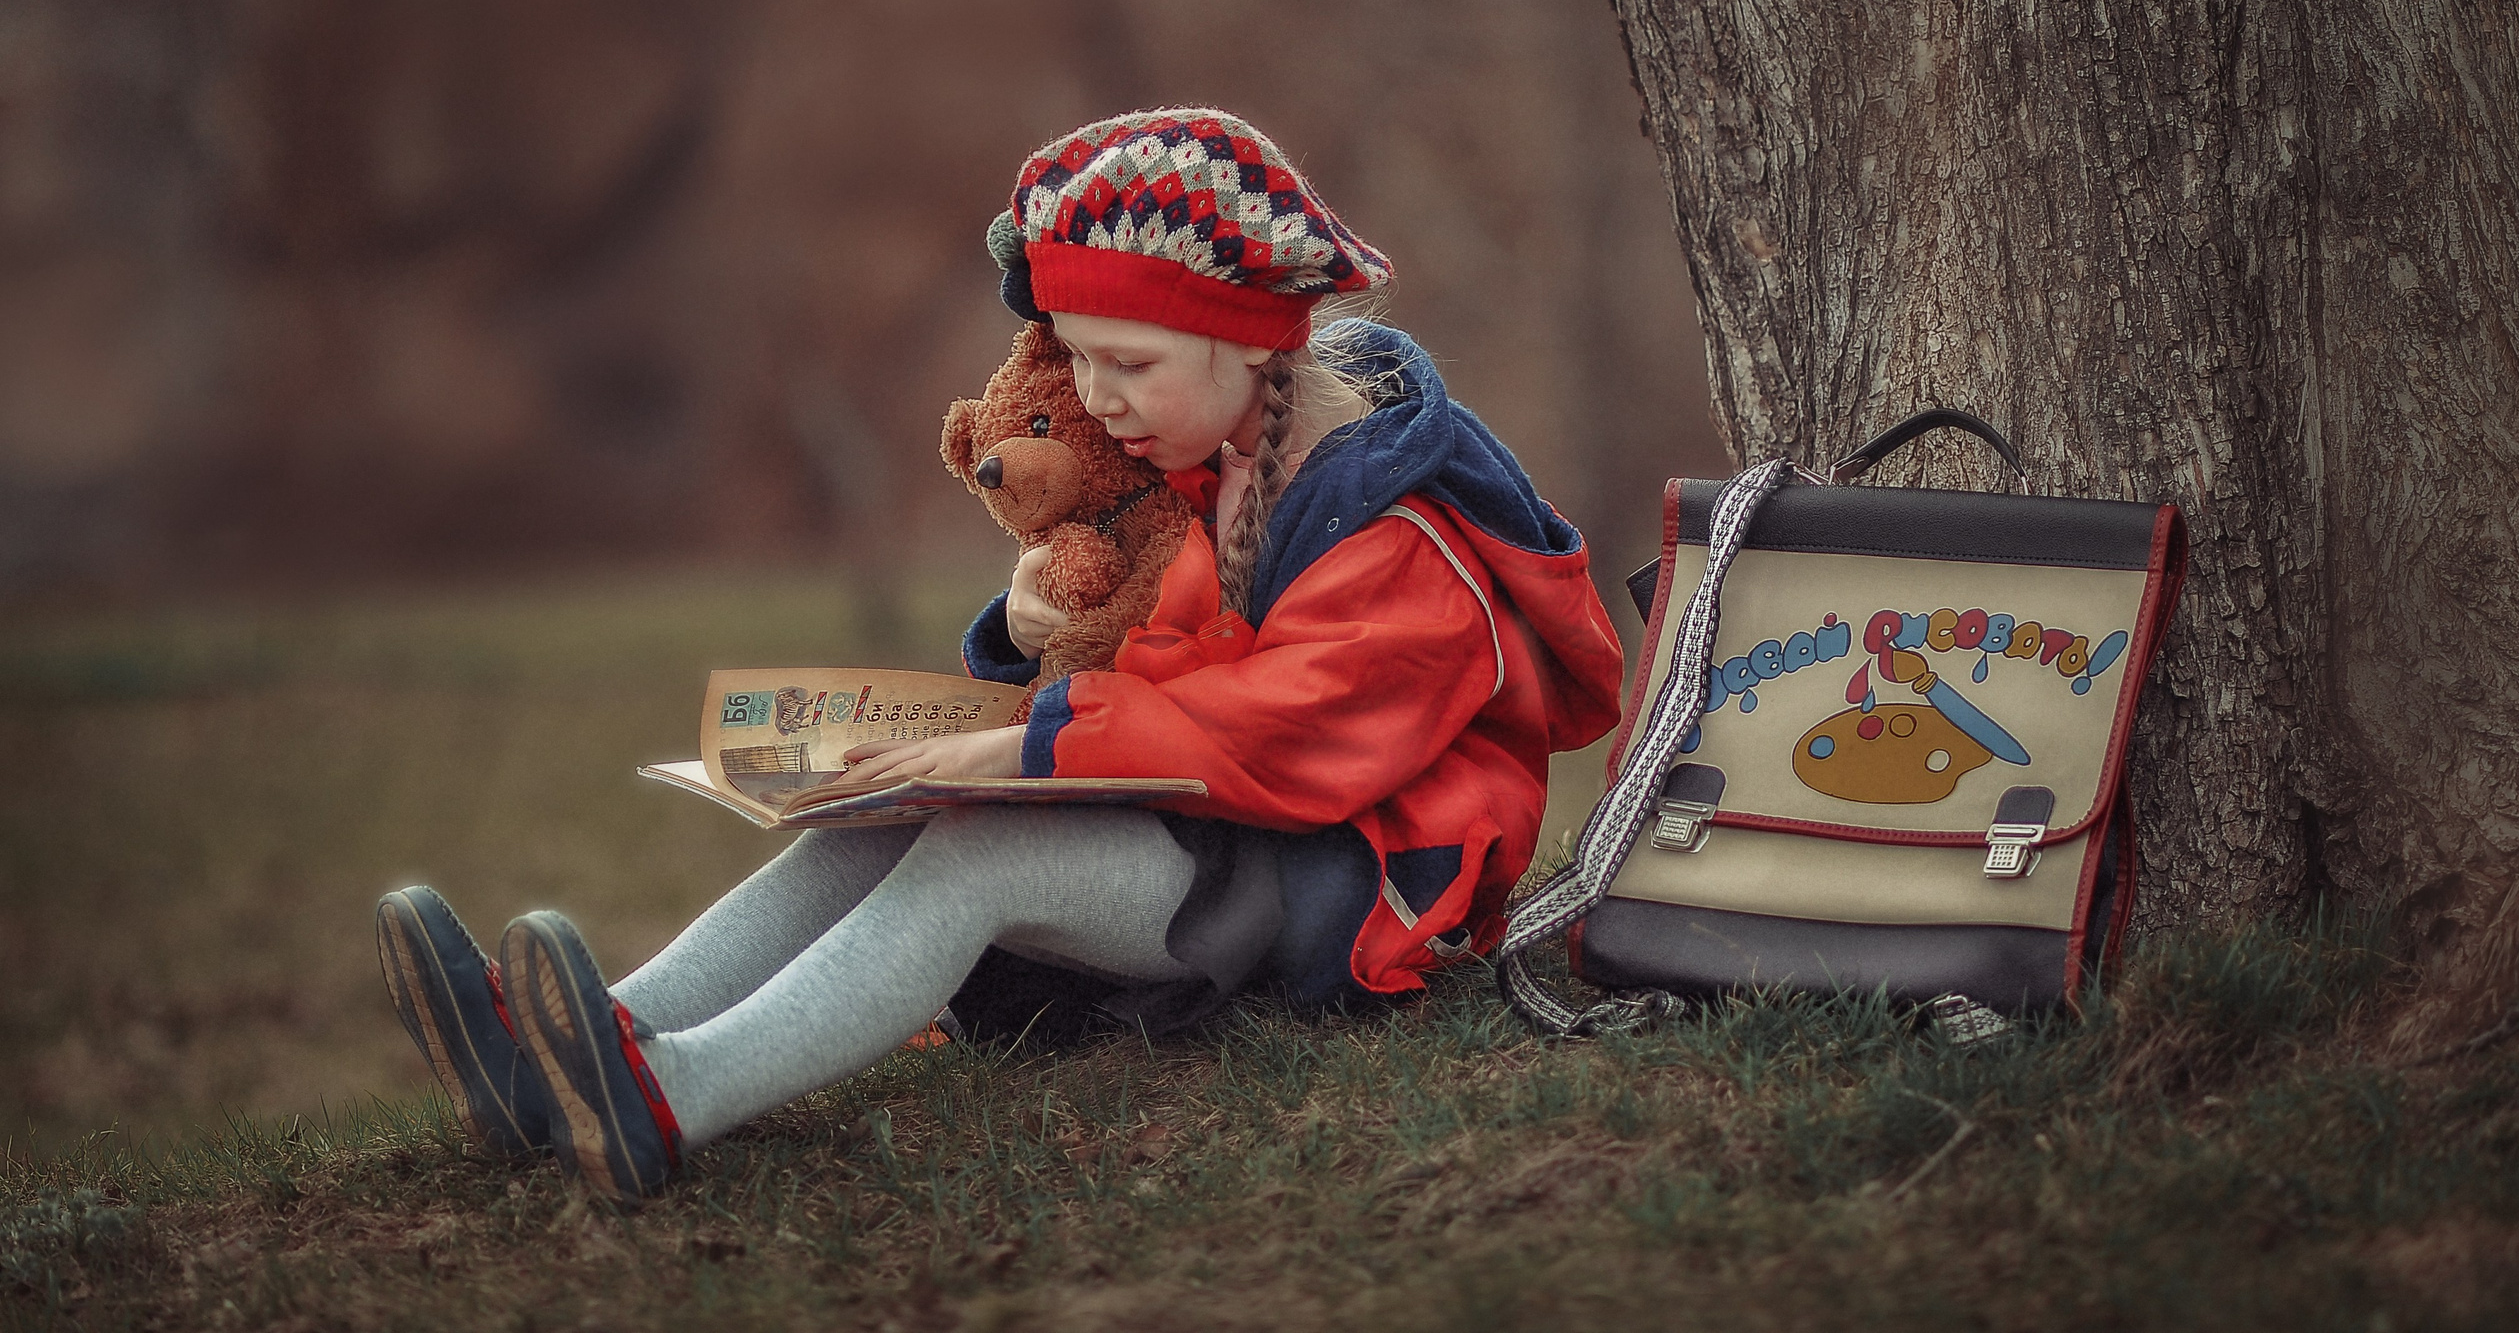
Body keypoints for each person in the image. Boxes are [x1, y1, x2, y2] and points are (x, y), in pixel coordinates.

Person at [375, 108, 1624, 1203]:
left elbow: (1285, 734)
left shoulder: (1398, 536)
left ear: (1251, 342)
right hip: (1217, 834)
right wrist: (1028, 638)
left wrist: (1022, 747)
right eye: (1076, 357)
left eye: (1127, 363)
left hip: (1339, 890)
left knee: (978, 850)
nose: (1099, 394)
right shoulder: (1208, 473)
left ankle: (673, 1098)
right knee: (863, 816)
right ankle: (583, 1045)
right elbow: (1161, 660)